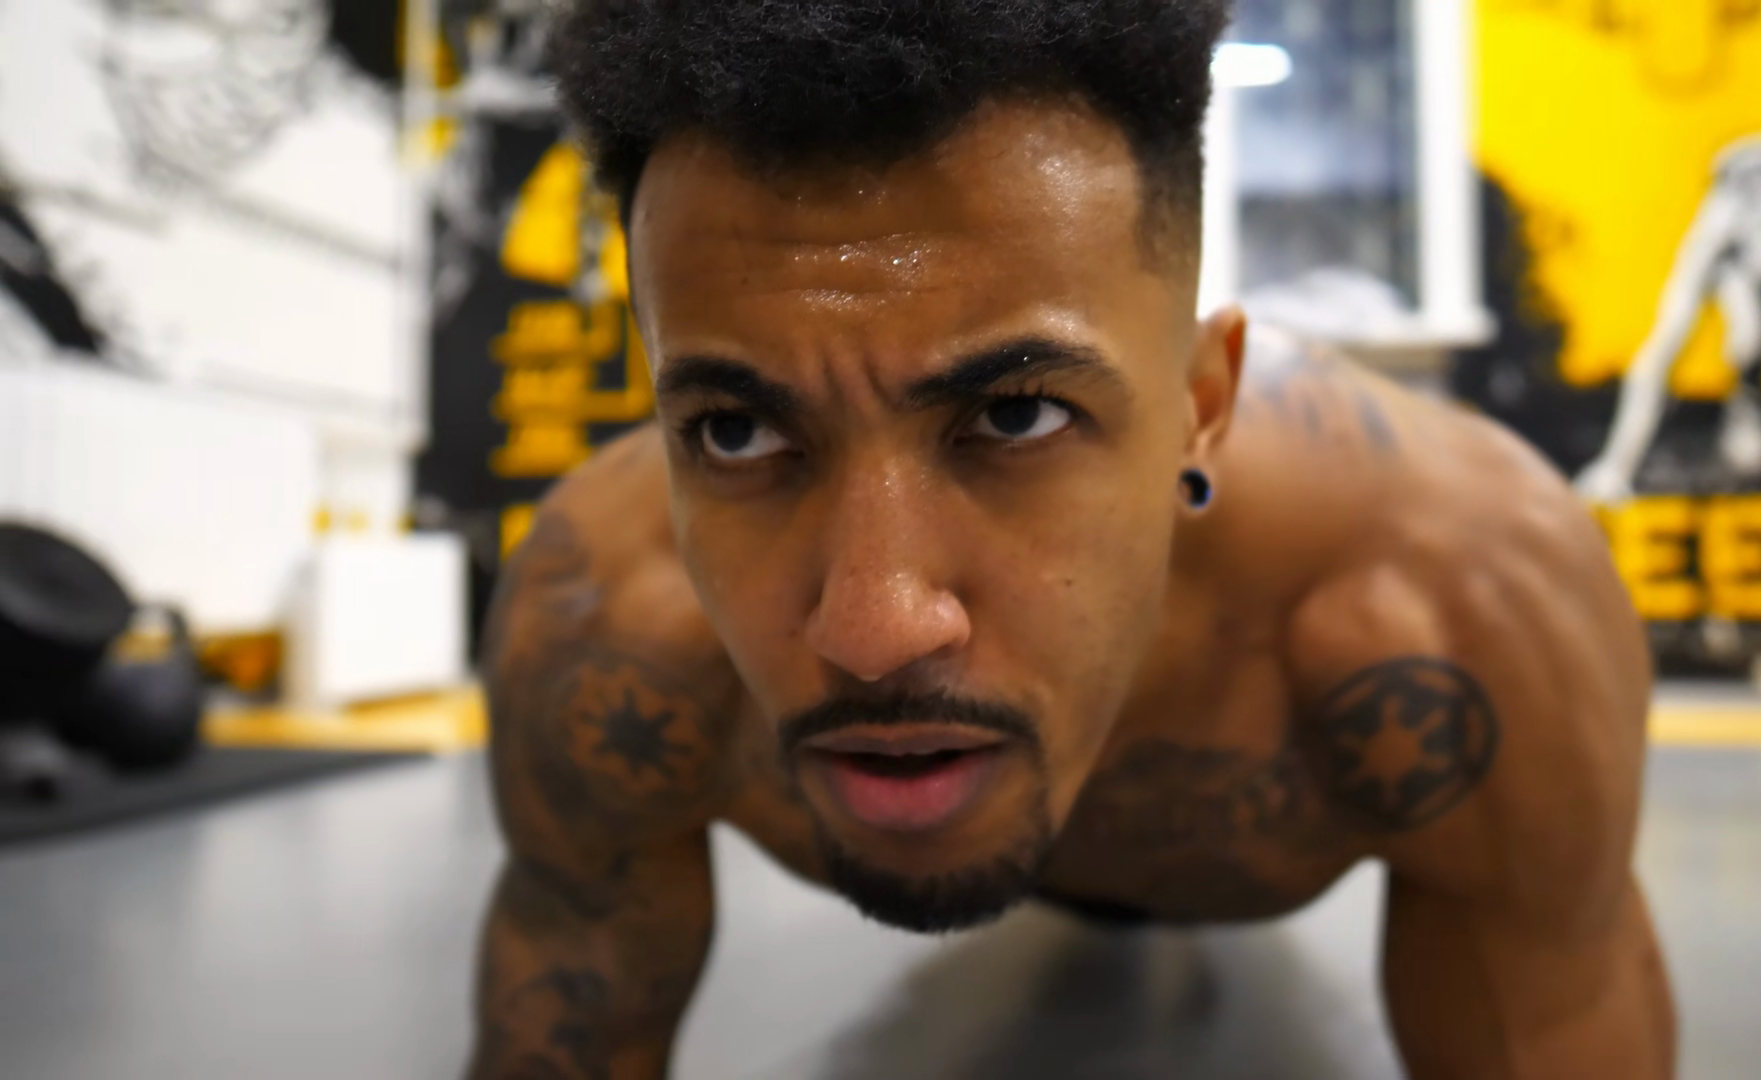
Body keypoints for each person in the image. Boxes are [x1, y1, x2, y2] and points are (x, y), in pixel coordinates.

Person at [470, 2, 1677, 1077]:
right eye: (735, 431)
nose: (876, 631)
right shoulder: (612, 625)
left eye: (1016, 416)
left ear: (1203, 403)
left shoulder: (1456, 599)